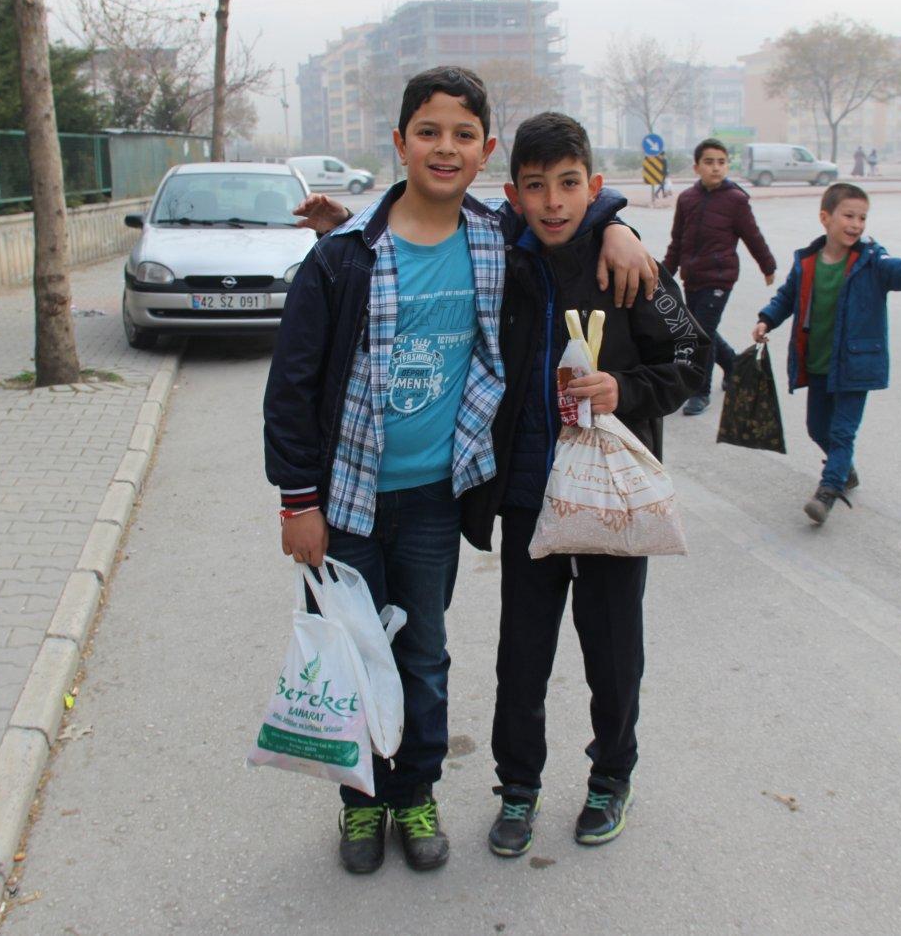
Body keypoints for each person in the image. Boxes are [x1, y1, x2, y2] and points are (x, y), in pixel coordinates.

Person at [263, 66, 656, 877]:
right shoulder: (344, 259)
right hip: (343, 502)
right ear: (401, 141)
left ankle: (416, 793)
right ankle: (362, 805)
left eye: (464, 135)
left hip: (438, 499)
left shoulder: (493, 240)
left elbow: (571, 223)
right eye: (430, 132)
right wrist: (296, 503)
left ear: (483, 158)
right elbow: (291, 390)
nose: (446, 148)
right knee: (353, 653)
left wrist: (622, 226)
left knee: (424, 658)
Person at [458, 112, 707, 857]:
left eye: (569, 184)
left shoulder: (631, 265)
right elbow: (421, 221)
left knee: (613, 654)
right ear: (515, 193)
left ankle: (611, 778)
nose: (555, 203)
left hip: (609, 505)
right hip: (529, 501)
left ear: (594, 185)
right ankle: (518, 791)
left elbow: (695, 356)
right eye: (537, 188)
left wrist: (622, 389)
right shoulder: (501, 255)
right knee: (521, 659)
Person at [751, 183, 901, 526]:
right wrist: (766, 319)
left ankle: (828, 491)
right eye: (849, 216)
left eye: (862, 218)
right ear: (825, 217)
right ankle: (844, 468)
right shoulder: (807, 262)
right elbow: (787, 297)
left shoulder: (872, 262)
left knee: (842, 432)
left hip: (856, 364)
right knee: (817, 427)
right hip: (817, 362)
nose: (857, 224)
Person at [663, 138, 776, 416]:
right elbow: (677, 241)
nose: (716, 168)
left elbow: (753, 236)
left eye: (721, 162)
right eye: (709, 162)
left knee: (701, 334)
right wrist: (664, 275)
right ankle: (734, 366)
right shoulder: (687, 199)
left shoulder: (735, 200)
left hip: (720, 278)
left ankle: (700, 392)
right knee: (705, 330)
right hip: (693, 277)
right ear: (696, 167)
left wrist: (767, 265)